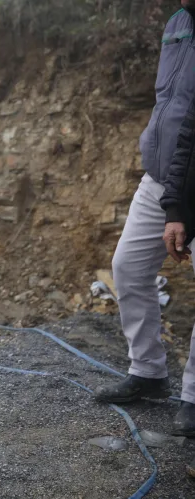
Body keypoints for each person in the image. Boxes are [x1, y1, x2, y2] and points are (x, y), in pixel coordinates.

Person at [94, 2, 195, 475]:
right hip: (160, 176)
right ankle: (149, 372)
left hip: (189, 184)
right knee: (128, 269)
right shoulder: (179, 22)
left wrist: (178, 207)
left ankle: (193, 397)